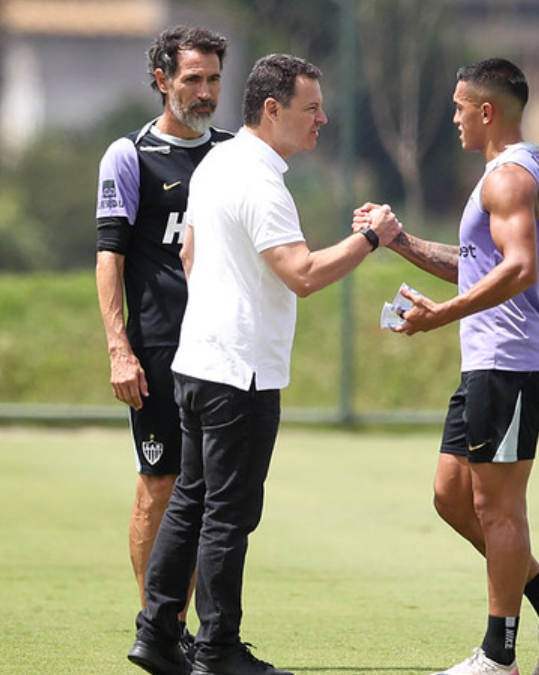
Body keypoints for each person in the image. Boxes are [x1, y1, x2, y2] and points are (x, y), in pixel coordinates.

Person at [126, 53, 402, 675]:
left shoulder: (217, 162)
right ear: (272, 110)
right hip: (239, 374)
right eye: (312, 108)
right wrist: (371, 238)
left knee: (191, 502)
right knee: (227, 514)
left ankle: (158, 634)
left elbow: (190, 253)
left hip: (197, 360)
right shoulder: (260, 179)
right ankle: (218, 650)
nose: (323, 119)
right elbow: (301, 275)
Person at [356, 58, 539, 675]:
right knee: (450, 497)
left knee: (498, 509)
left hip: (510, 364)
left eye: (460, 106)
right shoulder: (501, 175)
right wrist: (400, 241)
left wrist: (444, 315)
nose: (455, 116)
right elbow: (476, 262)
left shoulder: (509, 178)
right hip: (488, 365)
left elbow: (516, 269)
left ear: (486, 110)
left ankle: (498, 657)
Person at [94, 25, 231, 651]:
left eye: (213, 79)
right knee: (161, 485)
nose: (204, 92)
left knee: (213, 496)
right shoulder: (129, 155)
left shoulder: (234, 155)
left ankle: (200, 633)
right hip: (158, 349)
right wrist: (119, 347)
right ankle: (159, 626)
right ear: (161, 81)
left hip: (226, 351)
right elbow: (109, 257)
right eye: (191, 79)